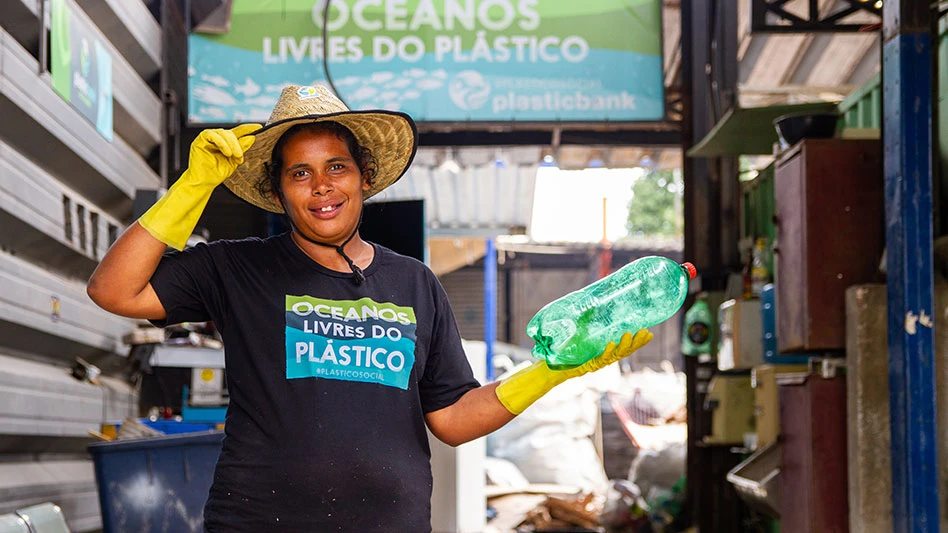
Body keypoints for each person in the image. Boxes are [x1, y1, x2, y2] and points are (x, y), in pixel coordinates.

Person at [87, 84, 653, 532]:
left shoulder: (415, 283)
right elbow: (114, 291)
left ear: (363, 178)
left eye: (336, 167)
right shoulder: (238, 268)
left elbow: (453, 419)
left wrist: (552, 371)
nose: (321, 187)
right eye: (299, 174)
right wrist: (193, 186)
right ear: (280, 192)